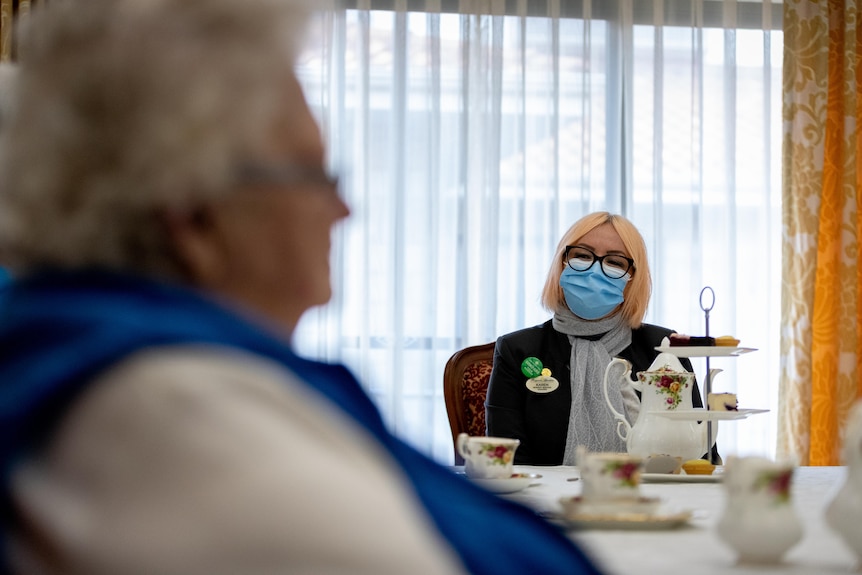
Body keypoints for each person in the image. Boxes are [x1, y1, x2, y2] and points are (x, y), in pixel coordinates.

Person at [0, 1, 604, 574]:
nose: (342, 209)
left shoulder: (144, 363)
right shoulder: (174, 425)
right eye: (313, 173)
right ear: (196, 219)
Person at [486, 212, 710, 465]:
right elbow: (507, 459)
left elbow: (699, 455)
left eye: (614, 262)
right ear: (562, 262)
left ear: (633, 277)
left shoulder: (663, 348)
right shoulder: (518, 350)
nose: (595, 270)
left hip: (650, 498)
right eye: (582, 255)